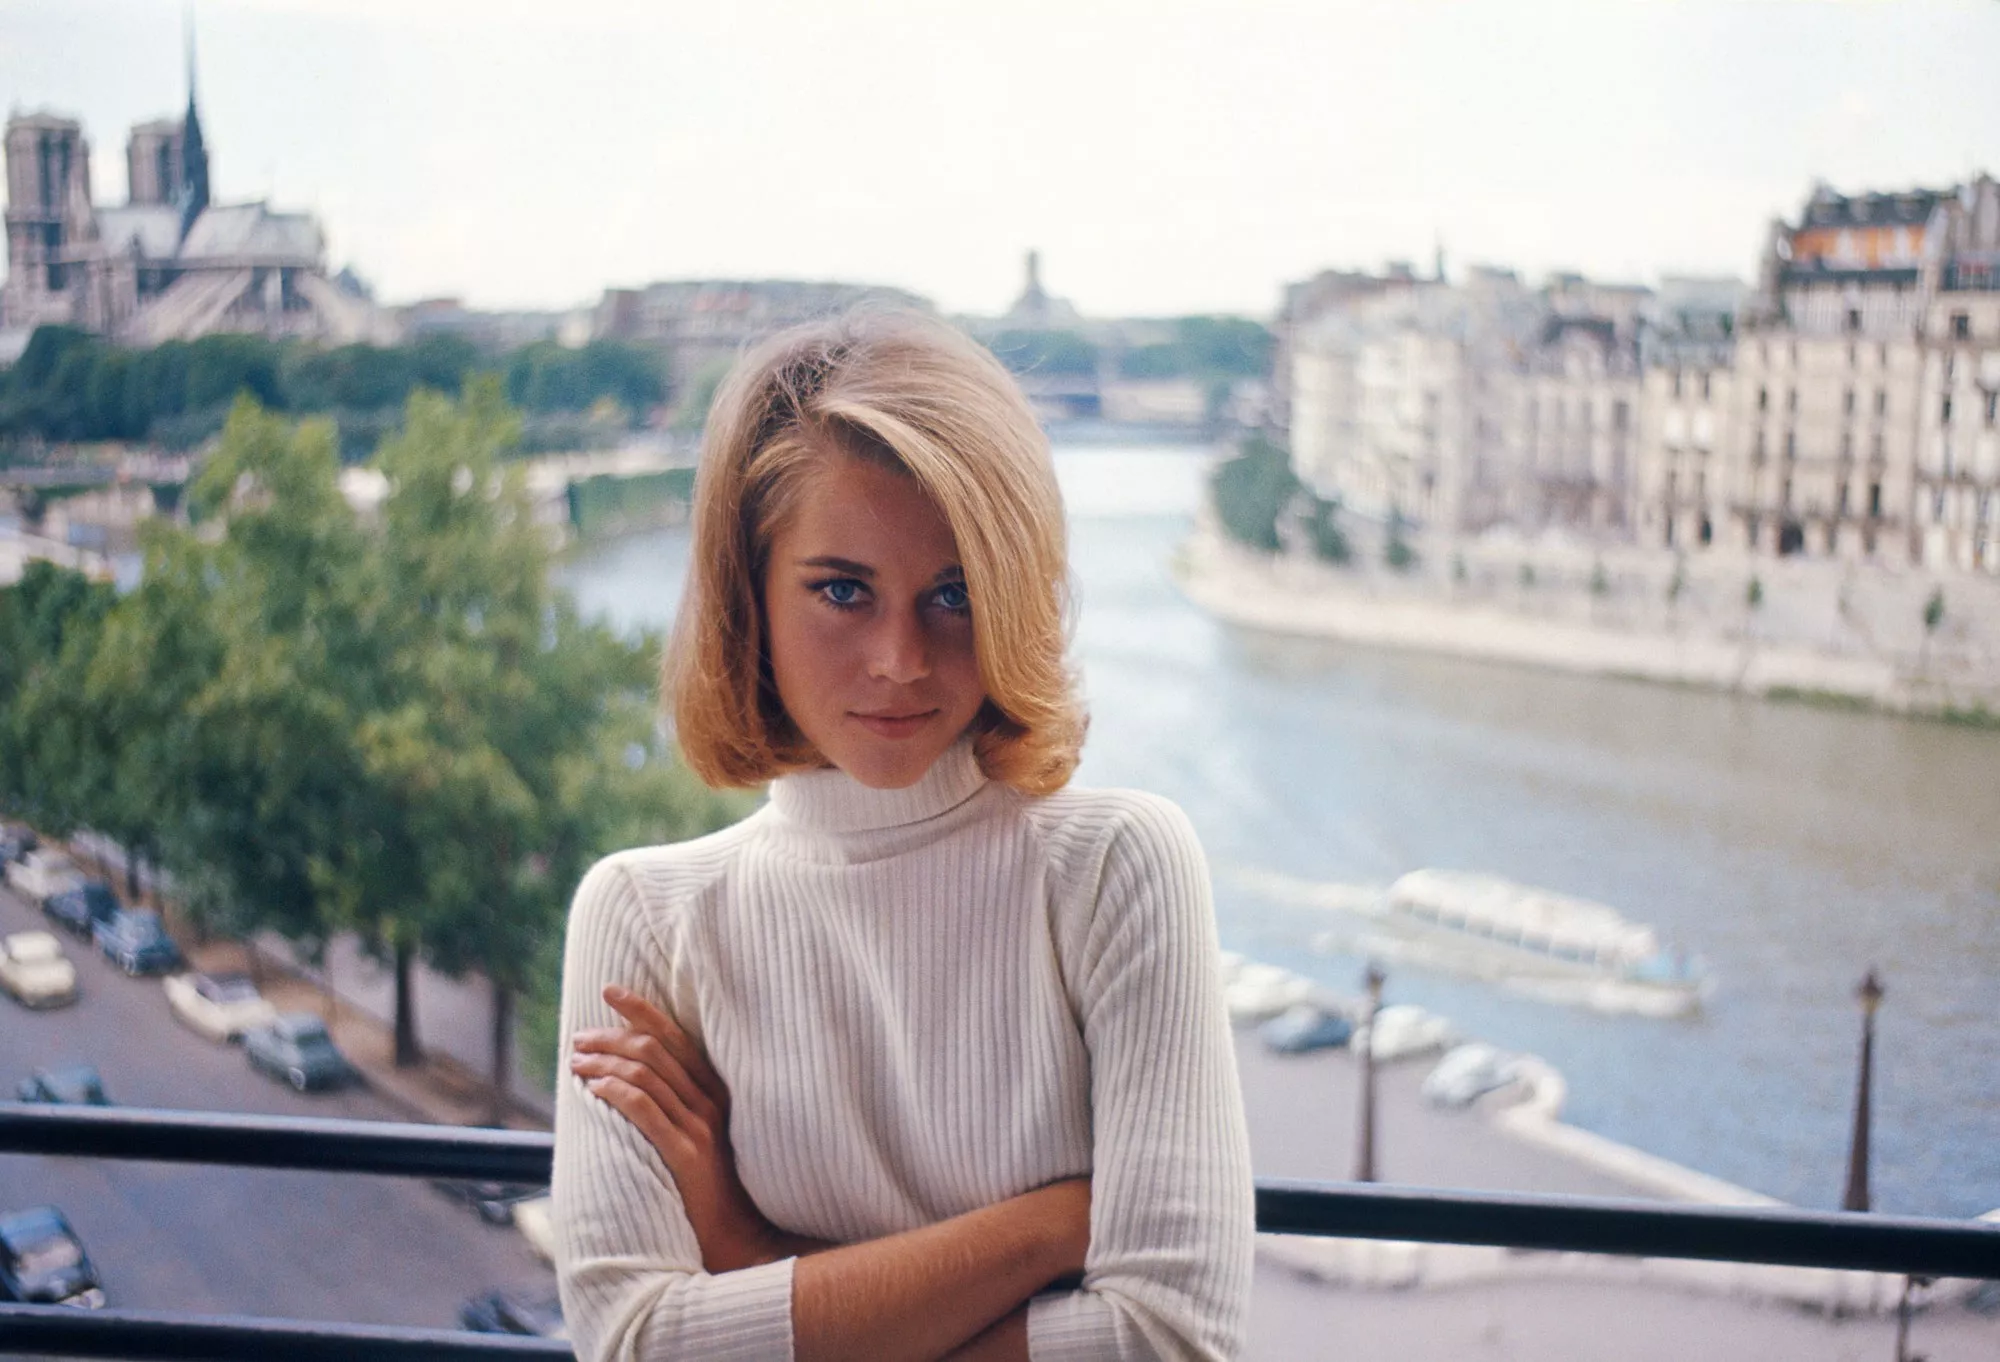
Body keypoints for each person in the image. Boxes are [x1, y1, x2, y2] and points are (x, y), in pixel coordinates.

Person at [552, 310, 1254, 1362]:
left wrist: (750, 1259)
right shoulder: (644, 916)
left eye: (954, 593)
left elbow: (1168, 1342)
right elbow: (636, 1343)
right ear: (749, 595)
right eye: (841, 590)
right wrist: (1053, 1223)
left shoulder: (1115, 866)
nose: (900, 659)